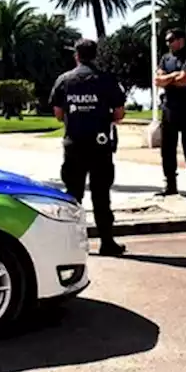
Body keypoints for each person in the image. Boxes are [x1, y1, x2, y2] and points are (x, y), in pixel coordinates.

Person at [49, 38, 126, 257]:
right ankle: (107, 242)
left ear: (76, 56)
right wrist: (102, 115)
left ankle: (70, 244)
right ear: (95, 56)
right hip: (100, 145)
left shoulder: (64, 80)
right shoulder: (106, 80)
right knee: (101, 195)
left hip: (74, 145)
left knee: (73, 195)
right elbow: (119, 114)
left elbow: (58, 114)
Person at [154, 27, 186, 201]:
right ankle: (170, 184)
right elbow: (157, 80)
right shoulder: (165, 59)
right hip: (168, 109)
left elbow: (185, 80)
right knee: (167, 149)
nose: (168, 43)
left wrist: (170, 78)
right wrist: (174, 76)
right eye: (167, 40)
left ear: (180, 40)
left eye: (171, 39)